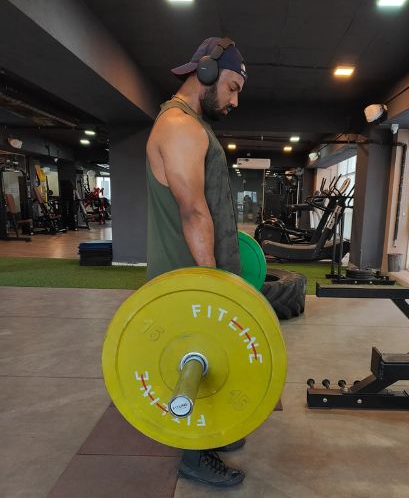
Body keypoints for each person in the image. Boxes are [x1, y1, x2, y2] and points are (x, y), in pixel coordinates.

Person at [145, 37, 247, 487]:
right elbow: (193, 212)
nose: (234, 100)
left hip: (198, 273)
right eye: (232, 87)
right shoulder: (179, 126)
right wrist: (211, 285)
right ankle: (193, 456)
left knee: (210, 359)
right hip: (188, 277)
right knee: (195, 360)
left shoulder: (190, 124)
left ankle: (209, 436)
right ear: (205, 72)